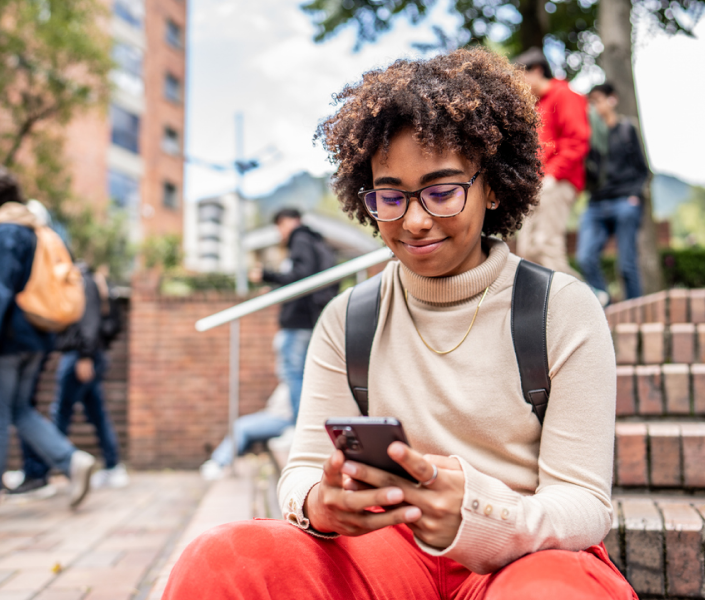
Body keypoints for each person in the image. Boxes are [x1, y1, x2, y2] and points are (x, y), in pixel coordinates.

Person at [163, 48, 635, 599]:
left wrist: (474, 513)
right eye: (391, 196)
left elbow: (583, 504)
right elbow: (301, 473)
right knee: (220, 561)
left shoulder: (562, 309)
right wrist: (320, 501)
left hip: (524, 556)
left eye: (442, 191)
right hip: (385, 553)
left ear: (494, 187)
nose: (413, 220)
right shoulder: (347, 319)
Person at [0, 169, 95, 508]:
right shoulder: (37, 231)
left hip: (9, 337)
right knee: (19, 409)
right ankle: (71, 460)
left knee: (4, 410)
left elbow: (2, 288)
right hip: (35, 335)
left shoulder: (7, 231)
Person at [16, 263, 128, 497]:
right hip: (85, 355)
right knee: (96, 413)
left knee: (61, 412)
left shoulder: (81, 280)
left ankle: (49, 470)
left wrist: (85, 355)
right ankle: (111, 465)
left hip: (80, 356)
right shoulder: (90, 280)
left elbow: (88, 322)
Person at [248, 208, 337, 421]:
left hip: (299, 320)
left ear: (288, 222)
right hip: (309, 318)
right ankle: (309, 422)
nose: (279, 233)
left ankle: (301, 424)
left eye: (279, 226)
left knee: (292, 372)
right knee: (305, 373)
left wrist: (266, 275)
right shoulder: (313, 240)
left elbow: (302, 276)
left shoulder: (301, 239)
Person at [514, 47, 590, 277]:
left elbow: (578, 140)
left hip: (558, 182)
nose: (520, 85)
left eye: (521, 78)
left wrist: (553, 175)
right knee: (527, 251)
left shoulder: (564, 94)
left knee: (546, 246)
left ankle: (580, 301)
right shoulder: (537, 106)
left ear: (537, 71)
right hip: (538, 185)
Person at [576, 83, 649, 301]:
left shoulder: (627, 129)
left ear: (612, 100)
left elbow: (643, 170)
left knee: (626, 264)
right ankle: (604, 305)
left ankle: (636, 314)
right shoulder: (590, 136)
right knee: (584, 258)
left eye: (598, 100)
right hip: (597, 202)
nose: (594, 106)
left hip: (624, 201)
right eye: (591, 102)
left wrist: (634, 197)